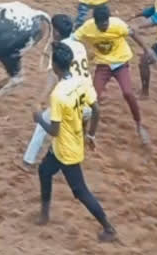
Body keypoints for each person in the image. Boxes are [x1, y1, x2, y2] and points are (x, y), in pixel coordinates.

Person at [33, 42, 117, 242]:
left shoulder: (58, 95)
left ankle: (109, 228)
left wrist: (38, 119)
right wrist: (91, 135)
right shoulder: (81, 82)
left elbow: (54, 130)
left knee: (80, 191)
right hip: (74, 139)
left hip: (65, 150)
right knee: (44, 171)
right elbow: (96, 110)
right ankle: (44, 214)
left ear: (55, 66)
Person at [74, 6, 150, 145]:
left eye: (106, 22)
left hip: (120, 63)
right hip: (103, 65)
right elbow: (73, 38)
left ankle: (139, 124)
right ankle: (83, 129)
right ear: (95, 22)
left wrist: (147, 50)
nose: (104, 26)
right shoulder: (87, 27)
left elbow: (133, 34)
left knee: (128, 93)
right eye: (101, 24)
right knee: (92, 98)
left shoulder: (117, 24)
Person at [23, 14, 92, 168]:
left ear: (57, 33)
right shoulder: (80, 46)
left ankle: (28, 161)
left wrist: (39, 101)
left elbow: (52, 78)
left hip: (70, 97)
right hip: (87, 100)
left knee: (43, 125)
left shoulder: (60, 51)